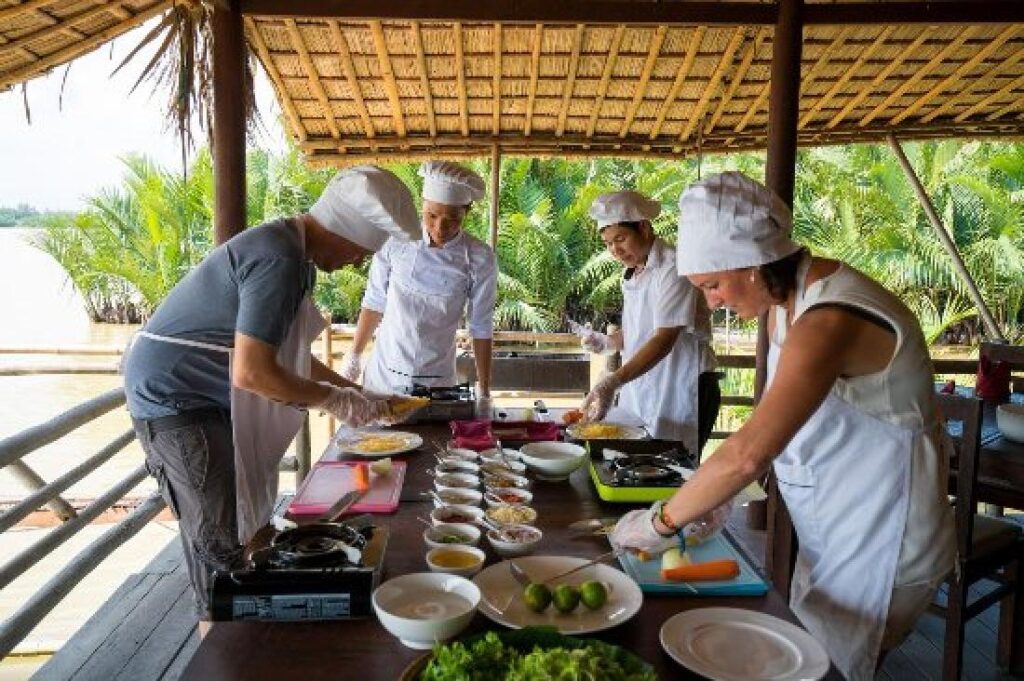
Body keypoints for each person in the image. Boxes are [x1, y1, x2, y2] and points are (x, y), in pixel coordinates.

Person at [610, 172, 955, 680]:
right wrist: (719, 496)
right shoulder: (781, 308)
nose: (712, 302)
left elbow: (749, 451)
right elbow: (782, 427)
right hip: (836, 532)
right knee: (801, 662)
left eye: (712, 285)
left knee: (822, 670)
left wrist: (661, 521)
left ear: (751, 265)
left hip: (887, 538)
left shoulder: (829, 319)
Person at [123, 165, 422, 624]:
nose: (359, 262)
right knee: (218, 534)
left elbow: (291, 357)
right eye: (363, 251)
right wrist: (337, 401)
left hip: (208, 395)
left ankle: (243, 625)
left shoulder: (295, 255)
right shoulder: (280, 258)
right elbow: (253, 371)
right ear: (344, 232)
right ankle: (217, 639)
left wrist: (360, 392)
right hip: (176, 398)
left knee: (244, 518)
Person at [342, 161, 498, 415]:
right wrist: (354, 357)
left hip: (437, 381)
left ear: (466, 213)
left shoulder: (479, 257)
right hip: (384, 373)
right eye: (432, 216)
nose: (440, 228)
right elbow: (374, 301)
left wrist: (485, 391)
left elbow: (480, 325)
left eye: (452, 220)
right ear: (422, 205)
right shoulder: (395, 238)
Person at [576, 190, 719, 456]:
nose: (615, 250)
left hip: (683, 382)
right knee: (638, 461)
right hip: (647, 383)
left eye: (621, 238)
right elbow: (640, 328)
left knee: (673, 467)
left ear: (643, 227)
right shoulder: (632, 273)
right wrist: (608, 342)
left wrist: (613, 381)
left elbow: (664, 337)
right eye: (608, 243)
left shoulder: (673, 267)